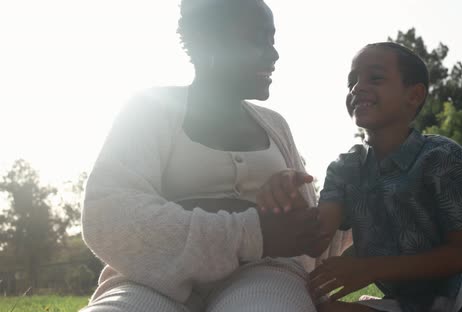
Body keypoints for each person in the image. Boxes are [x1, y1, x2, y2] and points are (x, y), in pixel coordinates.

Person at [80, 0, 351, 311]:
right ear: (208, 41)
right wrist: (253, 232)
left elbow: (308, 232)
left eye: (272, 38)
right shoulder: (148, 109)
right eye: (255, 38)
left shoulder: (276, 125)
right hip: (149, 281)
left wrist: (305, 204)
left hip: (266, 273)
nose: (273, 53)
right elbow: (109, 215)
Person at [257, 42, 462, 312]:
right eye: (352, 81)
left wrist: (369, 268)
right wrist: (289, 198)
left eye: (374, 78)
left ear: (413, 96)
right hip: (409, 300)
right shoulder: (345, 168)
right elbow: (316, 240)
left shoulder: (443, 156)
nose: (357, 88)